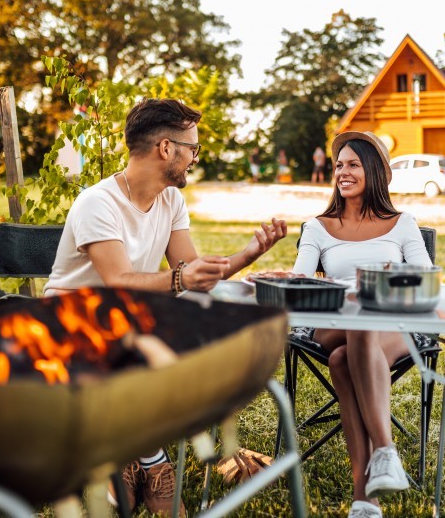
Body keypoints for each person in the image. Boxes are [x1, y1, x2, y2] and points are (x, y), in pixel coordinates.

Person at [44, 98, 287, 516]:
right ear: (165, 149)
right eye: (192, 147)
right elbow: (120, 282)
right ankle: (153, 461)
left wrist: (248, 254)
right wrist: (180, 281)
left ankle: (132, 460)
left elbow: (189, 268)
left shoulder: (170, 200)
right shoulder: (97, 203)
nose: (195, 156)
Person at [291, 131, 433, 518]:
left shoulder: (403, 223)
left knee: (342, 360)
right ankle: (386, 451)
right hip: (332, 320)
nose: (342, 171)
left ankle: (364, 499)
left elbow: (424, 277)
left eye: (352, 164)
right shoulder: (317, 226)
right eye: (339, 165)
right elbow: (300, 280)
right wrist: (346, 291)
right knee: (355, 323)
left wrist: (381, 285)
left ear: (373, 170)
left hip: (394, 323)